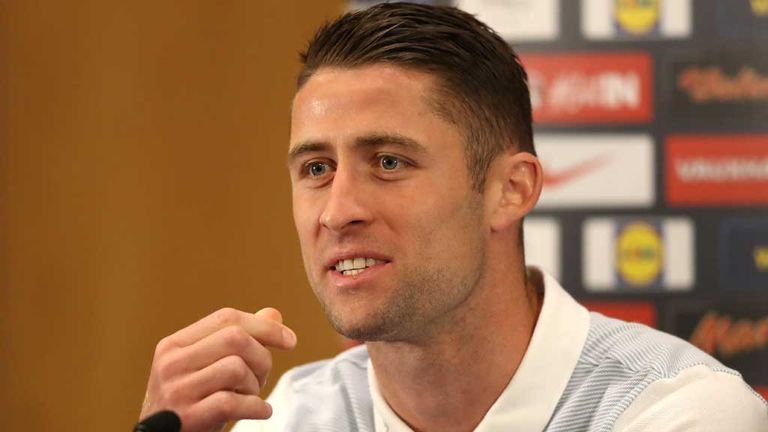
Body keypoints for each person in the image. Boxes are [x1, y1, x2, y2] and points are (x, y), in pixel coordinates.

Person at [139, 3, 768, 431]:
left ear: (510, 190)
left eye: (387, 162)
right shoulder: (296, 417)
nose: (338, 211)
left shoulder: (678, 413)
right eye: (315, 169)